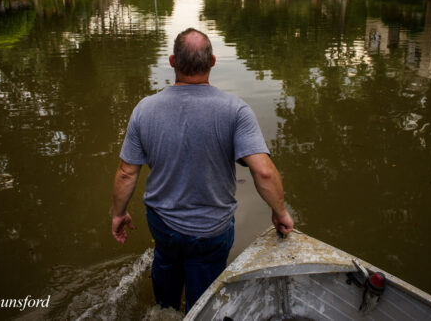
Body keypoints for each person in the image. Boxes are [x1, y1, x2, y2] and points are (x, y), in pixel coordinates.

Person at [111, 27, 294, 312]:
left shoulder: (144, 110)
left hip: (163, 225)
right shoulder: (236, 111)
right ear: (212, 62)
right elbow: (265, 172)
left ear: (172, 62)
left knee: (166, 287)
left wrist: (119, 213)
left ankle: (164, 309)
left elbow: (126, 173)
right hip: (211, 231)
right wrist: (280, 212)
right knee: (203, 304)